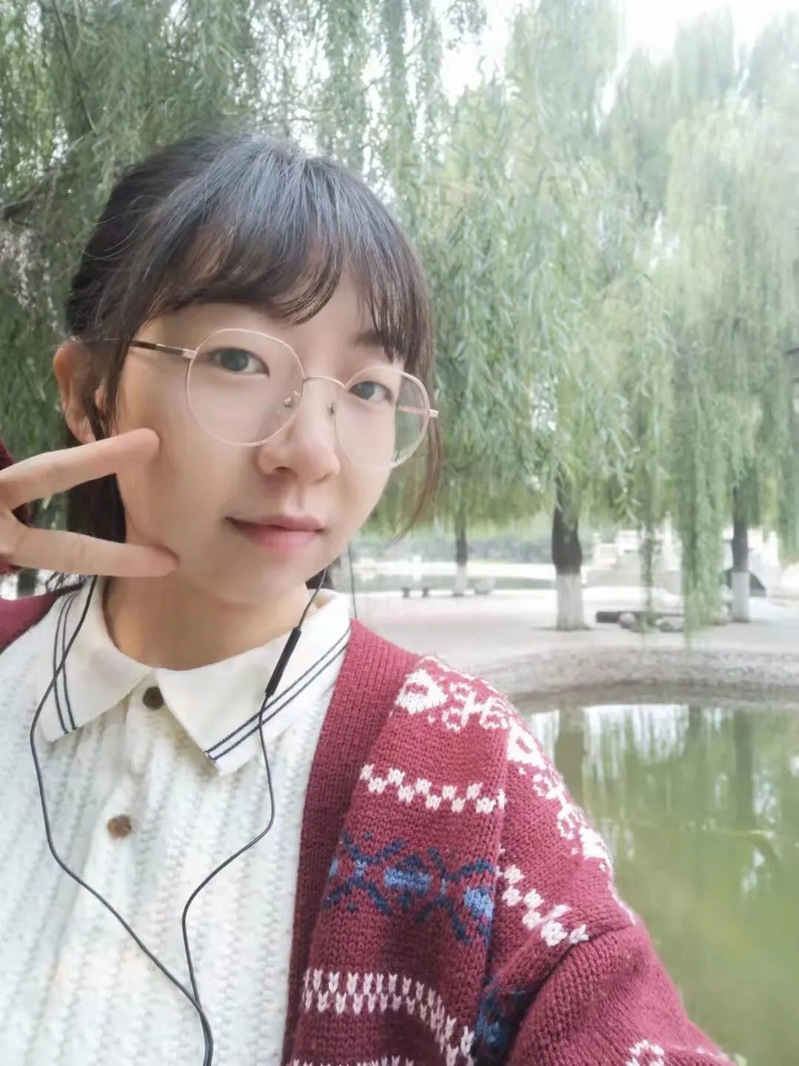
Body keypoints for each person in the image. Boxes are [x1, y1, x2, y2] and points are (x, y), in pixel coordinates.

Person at [0, 132, 731, 1066]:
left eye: (368, 387)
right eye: (237, 360)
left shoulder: (462, 774)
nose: (311, 452)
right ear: (90, 393)